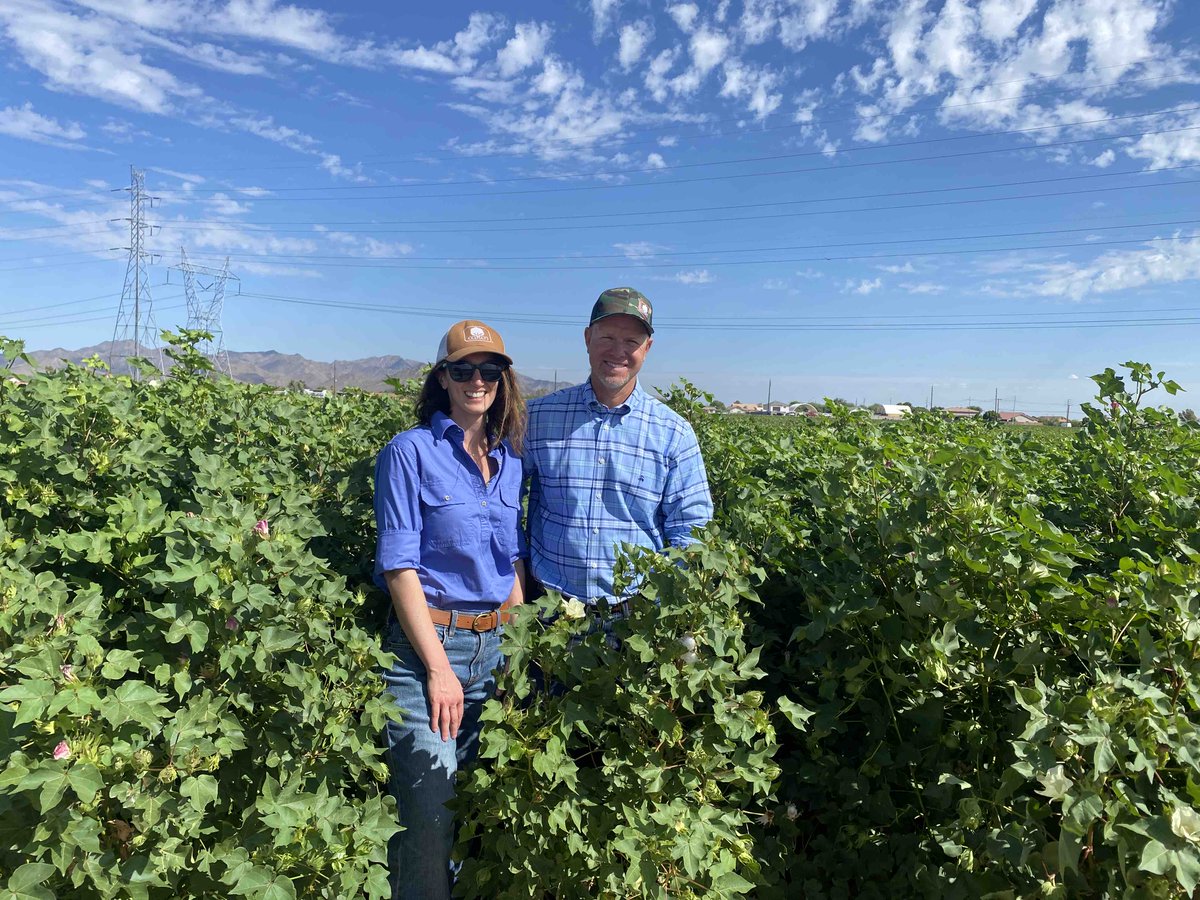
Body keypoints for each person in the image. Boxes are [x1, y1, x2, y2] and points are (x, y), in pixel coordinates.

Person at [373, 319, 526, 900]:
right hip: (427, 654)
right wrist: (439, 669)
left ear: (503, 380)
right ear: (442, 378)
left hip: (494, 651)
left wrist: (518, 648)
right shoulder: (409, 452)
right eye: (463, 369)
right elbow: (399, 568)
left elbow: (510, 565)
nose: (476, 380)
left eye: (489, 370)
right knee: (430, 819)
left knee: (474, 813)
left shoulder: (509, 459)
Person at [523, 287, 713, 612]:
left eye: (631, 342)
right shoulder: (537, 418)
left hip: (635, 615)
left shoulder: (674, 433)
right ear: (587, 338)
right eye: (607, 338)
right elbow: (501, 502)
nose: (618, 351)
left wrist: (664, 608)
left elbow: (690, 530)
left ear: (647, 348)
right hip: (548, 609)